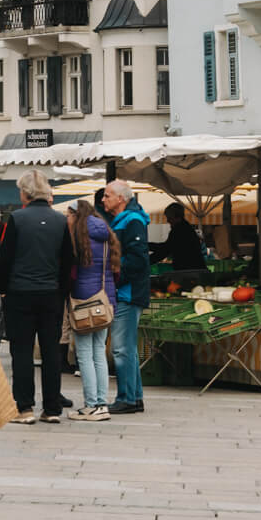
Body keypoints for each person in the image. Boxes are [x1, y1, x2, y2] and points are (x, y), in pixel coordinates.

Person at [0, 169, 74, 424]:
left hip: (20, 292)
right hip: (51, 293)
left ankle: (25, 407)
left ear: (26, 193)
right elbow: (67, 260)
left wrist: (3, 289)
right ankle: (52, 408)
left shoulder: (17, 219)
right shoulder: (60, 221)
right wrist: (62, 291)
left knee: (22, 351)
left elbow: (6, 258)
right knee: (51, 350)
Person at [66, 201, 119, 421]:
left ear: (75, 215)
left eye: (67, 215)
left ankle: (91, 405)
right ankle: (102, 404)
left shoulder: (78, 236)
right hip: (106, 299)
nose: (66, 219)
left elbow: (72, 271)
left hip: (84, 301)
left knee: (85, 355)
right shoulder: (106, 234)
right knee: (99, 353)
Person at [102, 178, 150, 414]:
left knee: (121, 348)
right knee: (127, 347)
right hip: (126, 291)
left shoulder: (132, 221)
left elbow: (138, 259)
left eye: (107, 195)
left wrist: (115, 270)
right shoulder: (125, 219)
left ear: (121, 198)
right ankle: (135, 396)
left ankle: (127, 399)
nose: (103, 200)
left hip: (128, 293)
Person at [152, 203, 205, 274]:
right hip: (193, 270)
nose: (168, 221)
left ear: (177, 217)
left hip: (190, 272)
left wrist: (146, 250)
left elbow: (165, 249)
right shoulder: (185, 228)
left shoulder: (179, 230)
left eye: (169, 218)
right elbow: (166, 249)